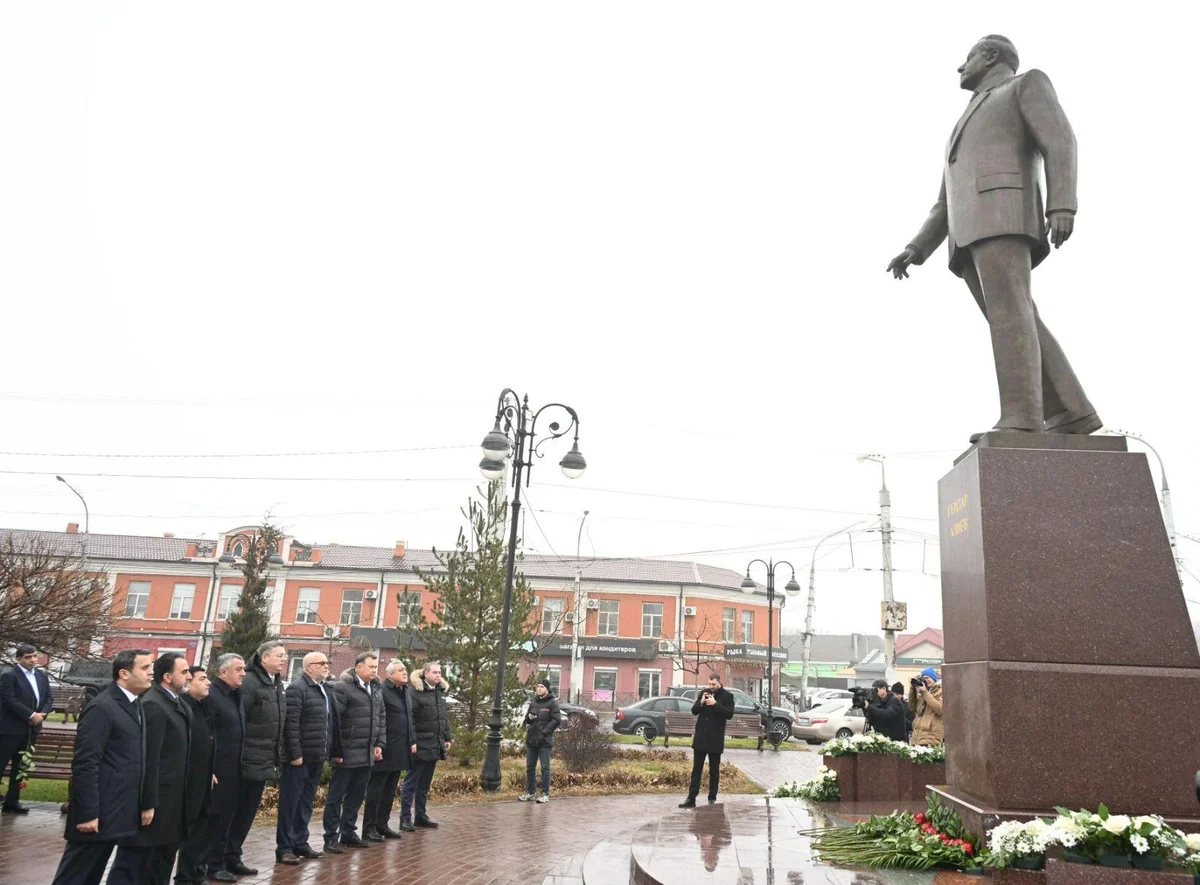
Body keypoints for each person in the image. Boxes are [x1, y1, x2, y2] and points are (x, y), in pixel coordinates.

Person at [887, 35, 1098, 442]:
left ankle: (1021, 418)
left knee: (1011, 316)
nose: (959, 67)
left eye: (967, 58)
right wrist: (917, 248)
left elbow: (1060, 140)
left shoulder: (1024, 85)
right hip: (968, 233)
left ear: (991, 56)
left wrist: (1062, 205)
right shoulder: (965, 119)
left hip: (1005, 216)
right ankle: (1072, 412)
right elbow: (944, 201)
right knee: (1019, 317)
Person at [48, 648, 153, 885]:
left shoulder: (134, 704)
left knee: (91, 876)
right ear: (124, 673)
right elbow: (86, 762)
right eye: (145, 668)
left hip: (116, 810)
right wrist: (88, 813)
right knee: (76, 876)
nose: (151, 673)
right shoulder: (102, 707)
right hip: (97, 814)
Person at [130, 652, 193, 885]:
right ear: (167, 677)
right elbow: (150, 757)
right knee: (150, 863)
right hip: (160, 799)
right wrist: (148, 802)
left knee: (165, 858)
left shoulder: (175, 702)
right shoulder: (154, 704)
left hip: (175, 797)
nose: (188, 676)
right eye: (184, 672)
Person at [226, 641, 287, 878]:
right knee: (235, 812)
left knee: (247, 813)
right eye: (279, 655)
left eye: (285, 655)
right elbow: (238, 722)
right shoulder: (251, 682)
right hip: (246, 759)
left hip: (264, 759)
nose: (284, 659)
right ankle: (220, 859)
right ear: (264, 659)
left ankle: (233, 856)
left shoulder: (276, 684)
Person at [277, 652, 335, 865]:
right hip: (299, 759)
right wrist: (295, 754)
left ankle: (300, 841)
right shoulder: (297, 689)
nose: (326, 666)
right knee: (290, 803)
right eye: (322, 663)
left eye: (327, 663)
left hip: (316, 757)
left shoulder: (324, 689)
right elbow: (290, 725)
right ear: (309, 667)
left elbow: (329, 723)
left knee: (305, 803)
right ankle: (284, 847)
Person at [324, 651, 385, 852]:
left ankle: (348, 832)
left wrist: (378, 744)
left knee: (357, 796)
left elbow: (381, 718)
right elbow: (335, 721)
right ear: (358, 667)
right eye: (370, 667)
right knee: (336, 796)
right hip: (346, 753)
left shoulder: (376, 688)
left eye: (376, 667)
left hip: (366, 753)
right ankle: (331, 836)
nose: (374, 671)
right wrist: (336, 750)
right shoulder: (343, 688)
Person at [205, 653, 246, 884]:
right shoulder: (213, 696)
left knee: (227, 818)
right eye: (238, 669)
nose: (243, 674)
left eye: (244, 669)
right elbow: (208, 734)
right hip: (218, 771)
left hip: (233, 769)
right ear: (223, 672)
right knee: (216, 820)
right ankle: (212, 865)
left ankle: (221, 861)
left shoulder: (234, 695)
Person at [362, 659, 414, 839]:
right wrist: (378, 744)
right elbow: (378, 719)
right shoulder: (382, 691)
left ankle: (382, 824)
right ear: (390, 675)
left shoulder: (405, 691)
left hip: (401, 749)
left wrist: (412, 741)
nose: (405, 672)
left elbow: (409, 719)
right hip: (385, 748)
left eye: (405, 669)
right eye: (400, 670)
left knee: (390, 789)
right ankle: (369, 828)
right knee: (376, 789)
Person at [0, 643, 53, 814]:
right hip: (10, 729)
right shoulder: (10, 676)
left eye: (34, 656)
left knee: (21, 765)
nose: (32, 660)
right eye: (27, 657)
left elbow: (48, 698)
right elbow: (9, 700)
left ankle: (12, 801)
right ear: (18, 659)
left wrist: (41, 714)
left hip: (31, 730)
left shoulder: (41, 676)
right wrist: (30, 715)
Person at [175, 666, 217, 885]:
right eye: (202, 679)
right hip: (187, 780)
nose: (208, 682)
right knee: (187, 829)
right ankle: (184, 875)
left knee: (201, 828)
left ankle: (195, 872)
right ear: (189, 683)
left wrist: (210, 771)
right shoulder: (183, 708)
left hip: (203, 777)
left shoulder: (204, 706)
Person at [400, 661, 452, 831]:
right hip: (420, 744)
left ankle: (420, 815)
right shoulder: (415, 692)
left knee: (425, 784)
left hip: (434, 743)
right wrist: (412, 741)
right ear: (426, 674)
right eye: (435, 672)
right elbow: (410, 719)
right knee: (411, 782)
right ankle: (405, 818)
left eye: (440, 672)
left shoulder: (439, 692)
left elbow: (442, 717)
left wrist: (447, 737)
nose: (439, 675)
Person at [679, 673, 734, 808]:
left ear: (719, 683)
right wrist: (702, 702)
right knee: (696, 770)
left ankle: (712, 799)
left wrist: (715, 704)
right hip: (701, 738)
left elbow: (729, 714)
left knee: (714, 771)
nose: (711, 687)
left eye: (713, 684)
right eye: (709, 684)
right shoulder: (704, 693)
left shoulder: (727, 696)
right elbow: (694, 711)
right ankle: (691, 798)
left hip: (715, 738)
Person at [518, 678, 560, 803]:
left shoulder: (553, 703)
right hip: (532, 739)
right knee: (530, 767)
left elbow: (556, 720)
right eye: (538, 686)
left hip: (544, 741)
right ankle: (530, 792)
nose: (539, 688)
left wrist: (545, 731)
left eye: (542, 686)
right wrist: (529, 718)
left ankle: (545, 794)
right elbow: (527, 719)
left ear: (547, 688)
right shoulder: (534, 702)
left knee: (545, 767)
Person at [860, 679, 907, 743]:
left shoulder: (894, 701)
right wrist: (865, 708)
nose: (875, 693)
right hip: (884, 739)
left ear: (884, 689)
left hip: (896, 741)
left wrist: (869, 707)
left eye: (876, 690)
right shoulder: (879, 702)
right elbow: (874, 719)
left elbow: (886, 715)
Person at [909, 667, 945, 747]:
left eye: (927, 678)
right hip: (917, 737)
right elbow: (912, 707)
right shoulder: (922, 693)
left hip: (931, 737)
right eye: (924, 678)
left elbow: (940, 709)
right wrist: (913, 689)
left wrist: (925, 692)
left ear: (933, 678)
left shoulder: (941, 691)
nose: (925, 680)